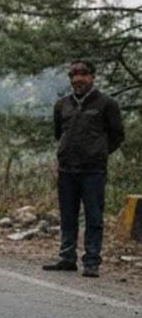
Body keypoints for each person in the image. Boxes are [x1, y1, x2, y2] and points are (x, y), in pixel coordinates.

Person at [43, 59, 126, 277]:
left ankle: (91, 262)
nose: (78, 79)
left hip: (93, 170)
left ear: (92, 77)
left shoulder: (107, 104)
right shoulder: (62, 104)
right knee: (67, 216)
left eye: (83, 74)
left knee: (94, 217)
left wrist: (98, 152)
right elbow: (58, 133)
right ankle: (67, 257)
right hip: (67, 169)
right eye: (73, 75)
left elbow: (118, 136)